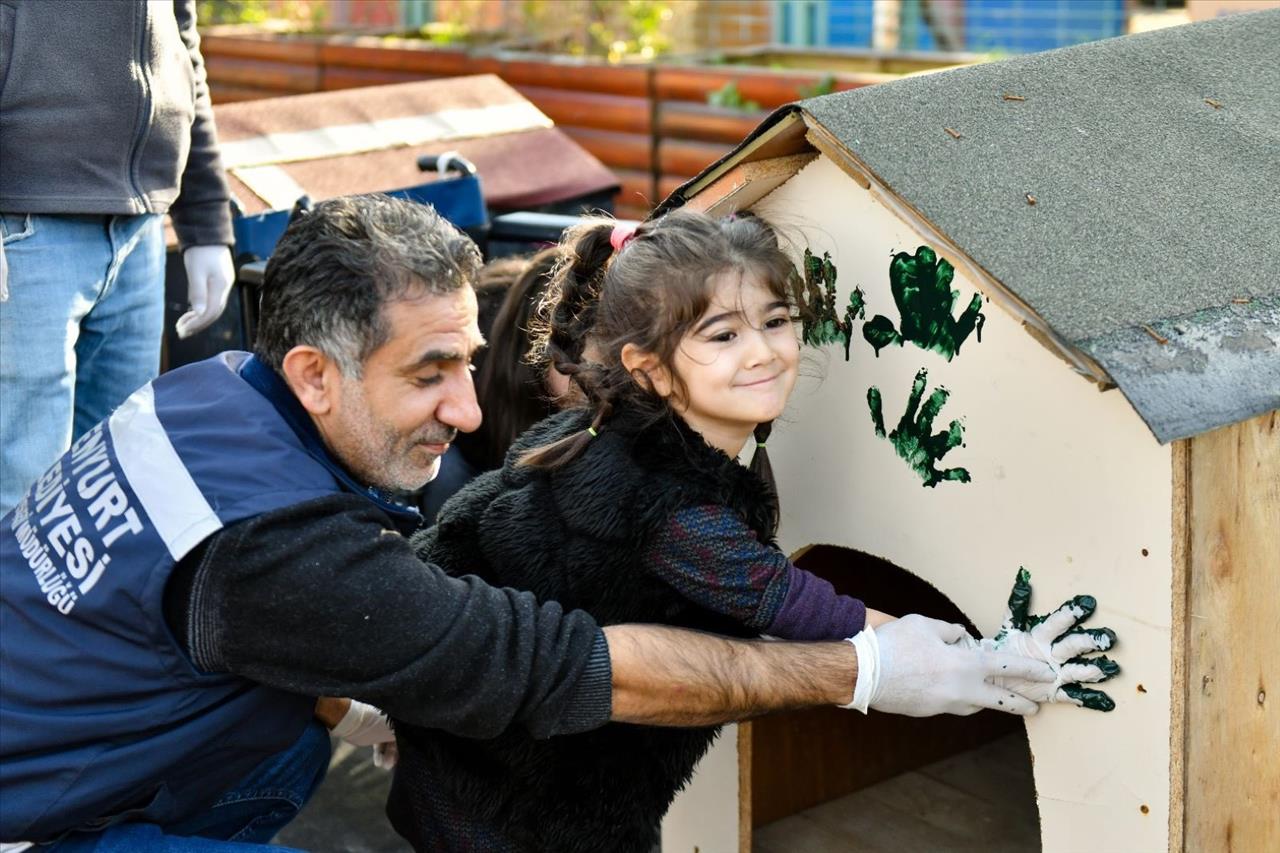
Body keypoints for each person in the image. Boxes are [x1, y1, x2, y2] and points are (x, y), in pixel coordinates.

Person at [1, 195, 1065, 852]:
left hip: (72, 715)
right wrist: (873, 668)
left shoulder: (210, 394)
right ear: (313, 372)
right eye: (429, 374)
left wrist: (362, 697)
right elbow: (563, 665)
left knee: (289, 726)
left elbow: (324, 607)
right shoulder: (274, 554)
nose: (471, 411)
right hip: (31, 806)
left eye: (467, 361)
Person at [392, 211, 1120, 852]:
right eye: (722, 334)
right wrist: (989, 661)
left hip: (463, 763)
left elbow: (458, 534)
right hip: (526, 810)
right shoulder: (674, 513)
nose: (764, 350)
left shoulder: (586, 433)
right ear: (650, 369)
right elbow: (815, 615)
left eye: (774, 321)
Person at [0, 0, 237, 517]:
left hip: (140, 227)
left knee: (109, 497)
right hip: (24, 223)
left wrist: (206, 217)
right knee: (17, 501)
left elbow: (181, 37)